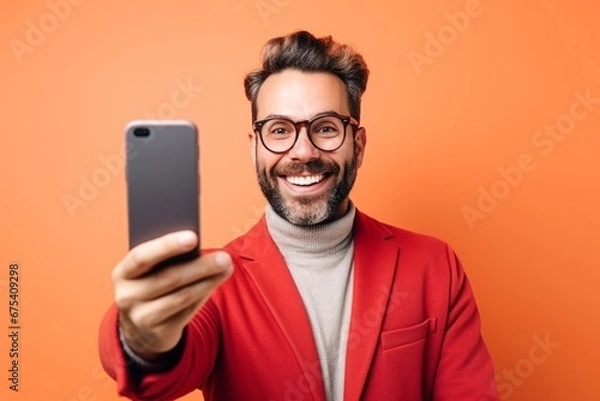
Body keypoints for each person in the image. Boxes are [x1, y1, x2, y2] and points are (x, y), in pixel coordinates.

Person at [99, 30, 500, 401]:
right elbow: (156, 377)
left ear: (357, 145)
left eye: (326, 128)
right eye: (278, 130)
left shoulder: (435, 266)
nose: (303, 152)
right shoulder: (211, 279)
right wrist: (141, 336)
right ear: (254, 147)